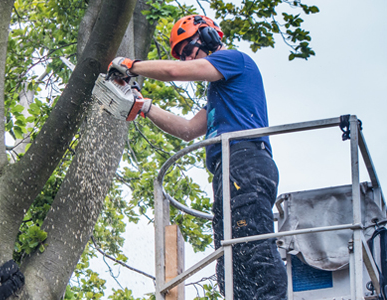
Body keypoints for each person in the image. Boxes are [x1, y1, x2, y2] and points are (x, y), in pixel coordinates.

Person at [108, 15, 287, 300]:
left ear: (209, 36)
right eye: (181, 55)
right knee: (230, 262)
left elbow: (176, 73)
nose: (187, 58)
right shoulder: (221, 94)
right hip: (227, 171)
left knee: (255, 251)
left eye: (189, 49)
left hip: (245, 161)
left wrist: (131, 66)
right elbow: (188, 130)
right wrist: (143, 106)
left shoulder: (234, 60)